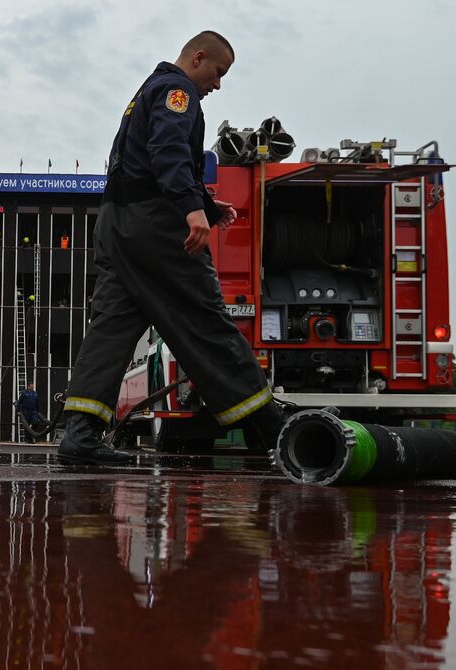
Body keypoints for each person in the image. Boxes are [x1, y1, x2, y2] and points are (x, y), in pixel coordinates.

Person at [57, 31, 288, 465]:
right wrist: (191, 210)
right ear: (198, 57)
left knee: (113, 325)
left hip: (117, 224)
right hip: (154, 226)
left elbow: (142, 162)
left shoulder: (147, 90)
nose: (217, 84)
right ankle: (269, 426)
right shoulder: (177, 91)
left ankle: (81, 433)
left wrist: (203, 202)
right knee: (204, 316)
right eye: (218, 73)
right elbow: (166, 149)